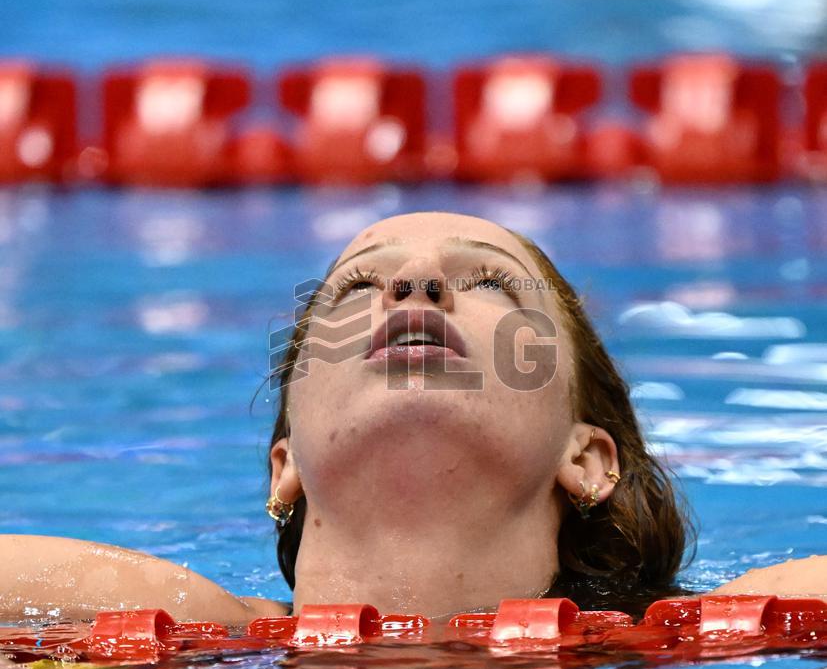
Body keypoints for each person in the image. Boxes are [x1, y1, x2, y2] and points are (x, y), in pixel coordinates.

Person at [0, 211, 824, 625]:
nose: (414, 288)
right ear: (283, 464)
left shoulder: (736, 633)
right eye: (359, 287)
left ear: (588, 458)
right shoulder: (158, 629)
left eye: (493, 285)